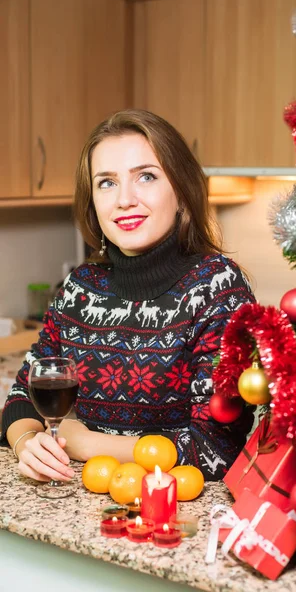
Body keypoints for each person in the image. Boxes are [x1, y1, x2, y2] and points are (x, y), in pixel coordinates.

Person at [1, 109, 255, 483]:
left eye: (146, 177)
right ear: (93, 202)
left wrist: (86, 444)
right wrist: (26, 443)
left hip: (164, 519)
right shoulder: (81, 287)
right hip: (80, 503)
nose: (124, 200)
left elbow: (216, 449)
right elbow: (24, 393)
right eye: (106, 183)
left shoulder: (217, 287)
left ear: (182, 193)